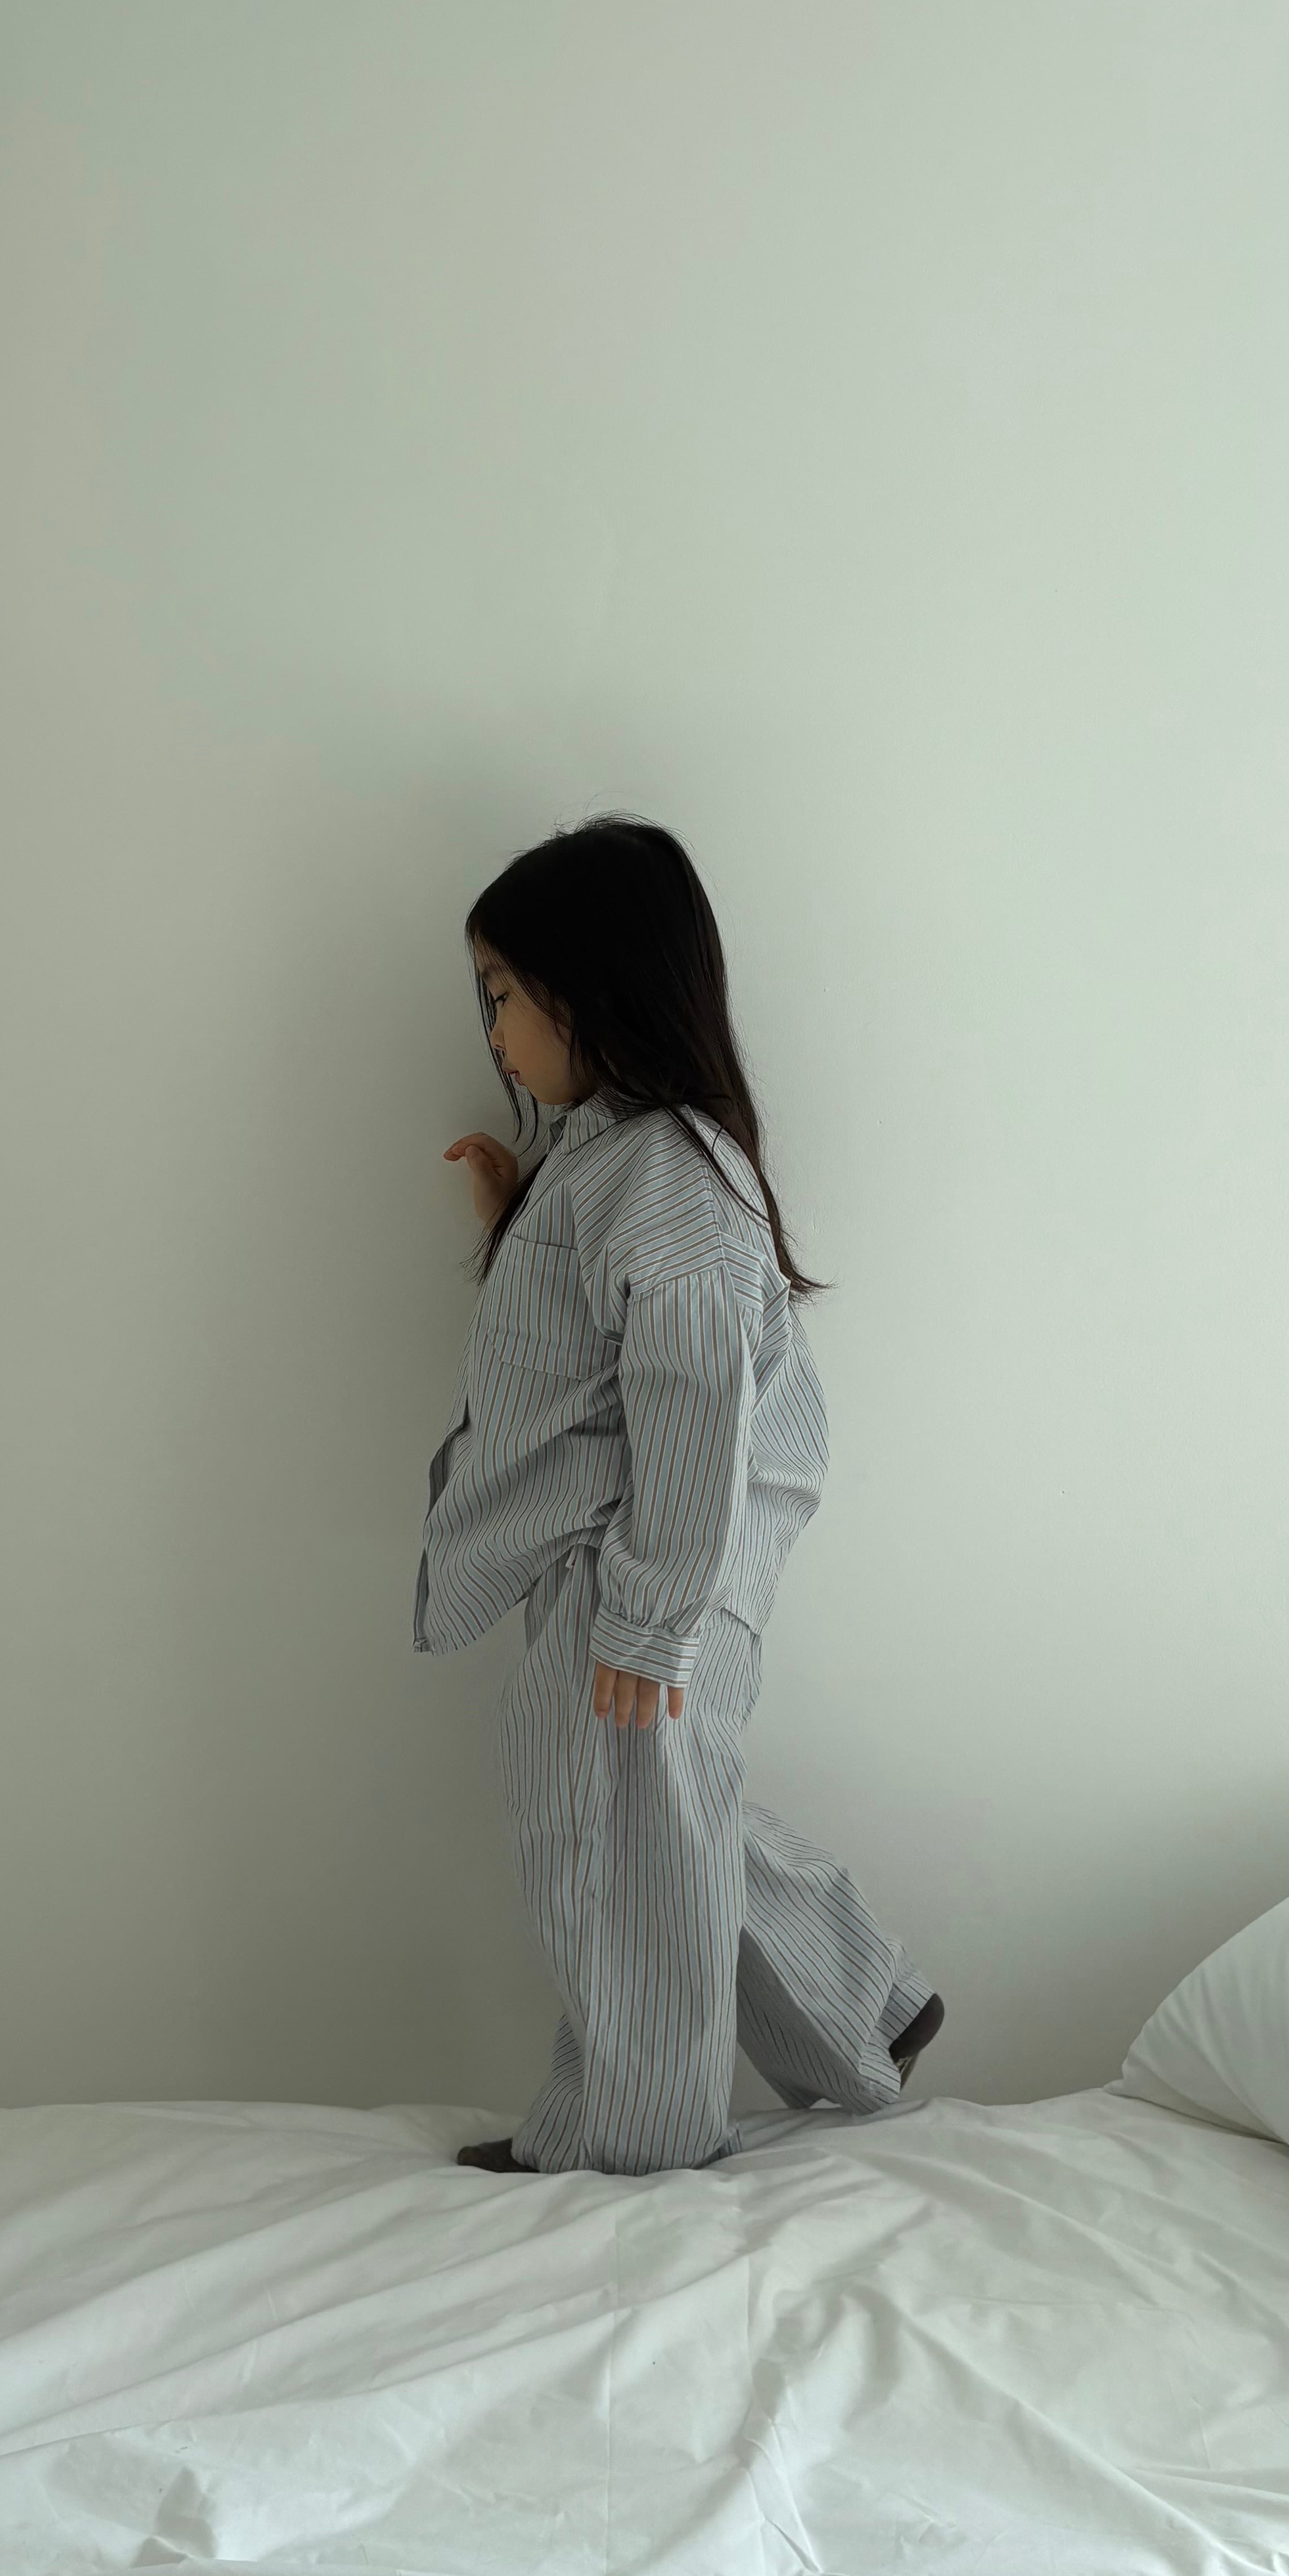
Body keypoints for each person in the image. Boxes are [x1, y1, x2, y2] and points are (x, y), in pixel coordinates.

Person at [414, 811, 942, 2176]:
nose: (492, 1034)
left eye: (502, 996)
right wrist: (517, 1220)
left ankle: (635, 2140)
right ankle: (859, 2005)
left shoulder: (664, 1173)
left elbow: (695, 1400)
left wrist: (651, 1619)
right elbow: (597, 1341)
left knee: (613, 1847)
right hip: (617, 1562)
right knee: (661, 1819)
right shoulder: (616, 1159)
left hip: (634, 1569)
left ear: (591, 992)